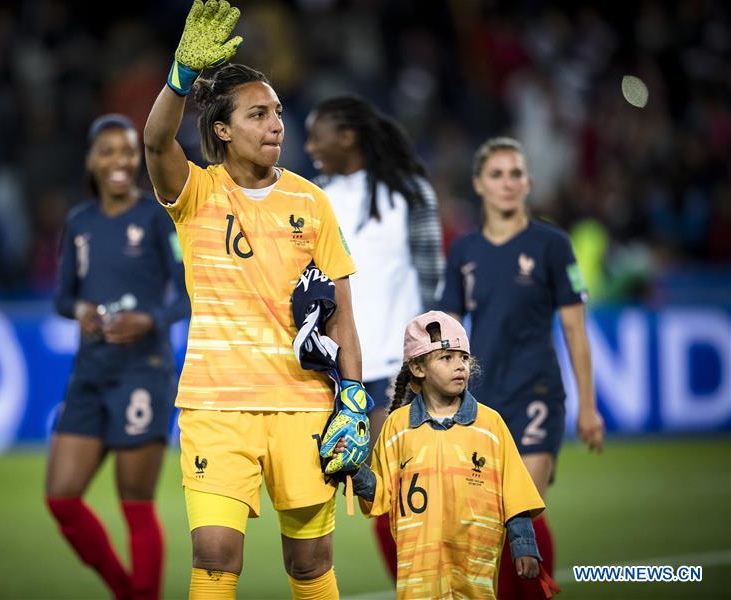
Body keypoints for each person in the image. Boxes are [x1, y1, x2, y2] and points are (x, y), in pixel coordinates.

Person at [143, 1, 368, 597]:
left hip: (302, 403)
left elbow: (343, 311)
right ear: (222, 129)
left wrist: (353, 396)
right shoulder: (194, 193)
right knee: (215, 556)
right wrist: (179, 78)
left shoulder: (311, 203)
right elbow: (155, 139)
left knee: (310, 563)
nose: (276, 125)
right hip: (215, 406)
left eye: (278, 113)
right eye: (258, 114)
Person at [437, 136, 605, 599]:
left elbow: (575, 330)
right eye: (497, 174)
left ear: (528, 182)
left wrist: (588, 408)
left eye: (516, 173)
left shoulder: (552, 245)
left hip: (537, 394)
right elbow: (448, 331)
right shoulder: (464, 251)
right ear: (479, 184)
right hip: (482, 402)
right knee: (485, 520)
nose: (508, 183)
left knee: (520, 508)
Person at [45, 113, 189, 600]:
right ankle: (126, 592)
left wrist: (149, 320)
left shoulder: (155, 216)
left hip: (142, 372)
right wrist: (81, 309)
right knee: (61, 498)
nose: (120, 160)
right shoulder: (79, 222)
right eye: (107, 151)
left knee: (136, 505)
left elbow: (187, 295)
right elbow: (62, 299)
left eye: (128, 150)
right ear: (91, 160)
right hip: (89, 372)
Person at [304, 94, 445, 580]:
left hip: (401, 371)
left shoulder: (408, 193)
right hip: (337, 375)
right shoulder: (308, 198)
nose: (308, 144)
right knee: (380, 501)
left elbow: (434, 282)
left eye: (316, 132)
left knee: (412, 492)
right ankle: (416, 587)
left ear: (347, 136)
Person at [334, 310, 546, 599]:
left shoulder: (491, 425)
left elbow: (516, 494)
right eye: (446, 358)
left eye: (463, 358)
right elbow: (381, 494)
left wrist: (524, 547)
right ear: (418, 368)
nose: (459, 366)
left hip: (476, 572)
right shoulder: (397, 426)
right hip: (418, 574)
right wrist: (354, 469)